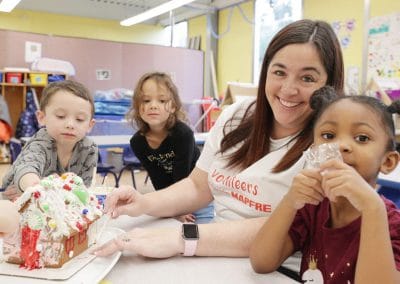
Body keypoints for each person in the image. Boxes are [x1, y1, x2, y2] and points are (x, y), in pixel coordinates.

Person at [94, 19, 344, 272]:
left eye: (308, 78)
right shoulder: (238, 115)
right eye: (279, 72)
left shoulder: (330, 144)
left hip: (279, 270)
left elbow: (287, 227)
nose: (289, 89)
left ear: (329, 84)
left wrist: (183, 238)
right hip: (215, 257)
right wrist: (145, 203)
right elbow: (198, 185)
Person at [249, 88, 400, 283]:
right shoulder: (312, 209)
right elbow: (261, 262)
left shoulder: (392, 225)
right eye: (328, 136)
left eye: (362, 138)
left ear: (388, 162)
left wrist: (372, 209)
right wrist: (290, 200)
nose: (340, 145)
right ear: (313, 150)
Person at [125, 71, 214, 223]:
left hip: (197, 195)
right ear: (138, 107)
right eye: (146, 101)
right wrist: (170, 210)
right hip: (170, 199)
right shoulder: (137, 143)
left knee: (200, 236)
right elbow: (157, 177)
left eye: (162, 100)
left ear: (173, 106)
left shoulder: (182, 134)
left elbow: (183, 176)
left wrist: (180, 209)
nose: (153, 105)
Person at [2, 80, 98, 201]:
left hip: (58, 205)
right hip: (16, 202)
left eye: (80, 119)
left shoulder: (89, 149)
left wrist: (56, 189)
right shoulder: (40, 144)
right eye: (60, 116)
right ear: (42, 118)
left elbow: (83, 191)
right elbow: (27, 170)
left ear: (90, 125)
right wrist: (31, 186)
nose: (70, 124)